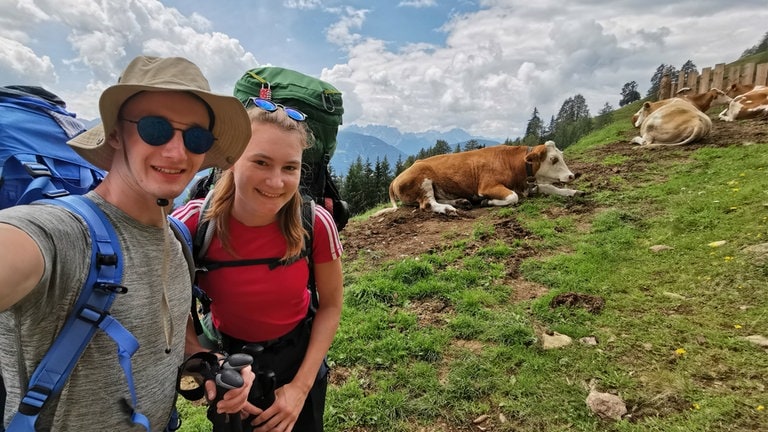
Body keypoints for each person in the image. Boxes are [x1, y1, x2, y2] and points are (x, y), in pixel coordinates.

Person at [0, 55, 255, 431]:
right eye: (155, 129)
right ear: (116, 134)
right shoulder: (64, 233)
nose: (176, 152)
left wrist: (204, 363)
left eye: (196, 137)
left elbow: (168, 344)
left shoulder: (177, 240)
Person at [173, 97, 344, 432]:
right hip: (230, 364)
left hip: (299, 358)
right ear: (233, 160)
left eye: (289, 167)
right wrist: (209, 364)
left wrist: (300, 389)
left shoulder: (315, 223)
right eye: (261, 162)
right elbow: (166, 310)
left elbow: (332, 305)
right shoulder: (192, 225)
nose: (276, 182)